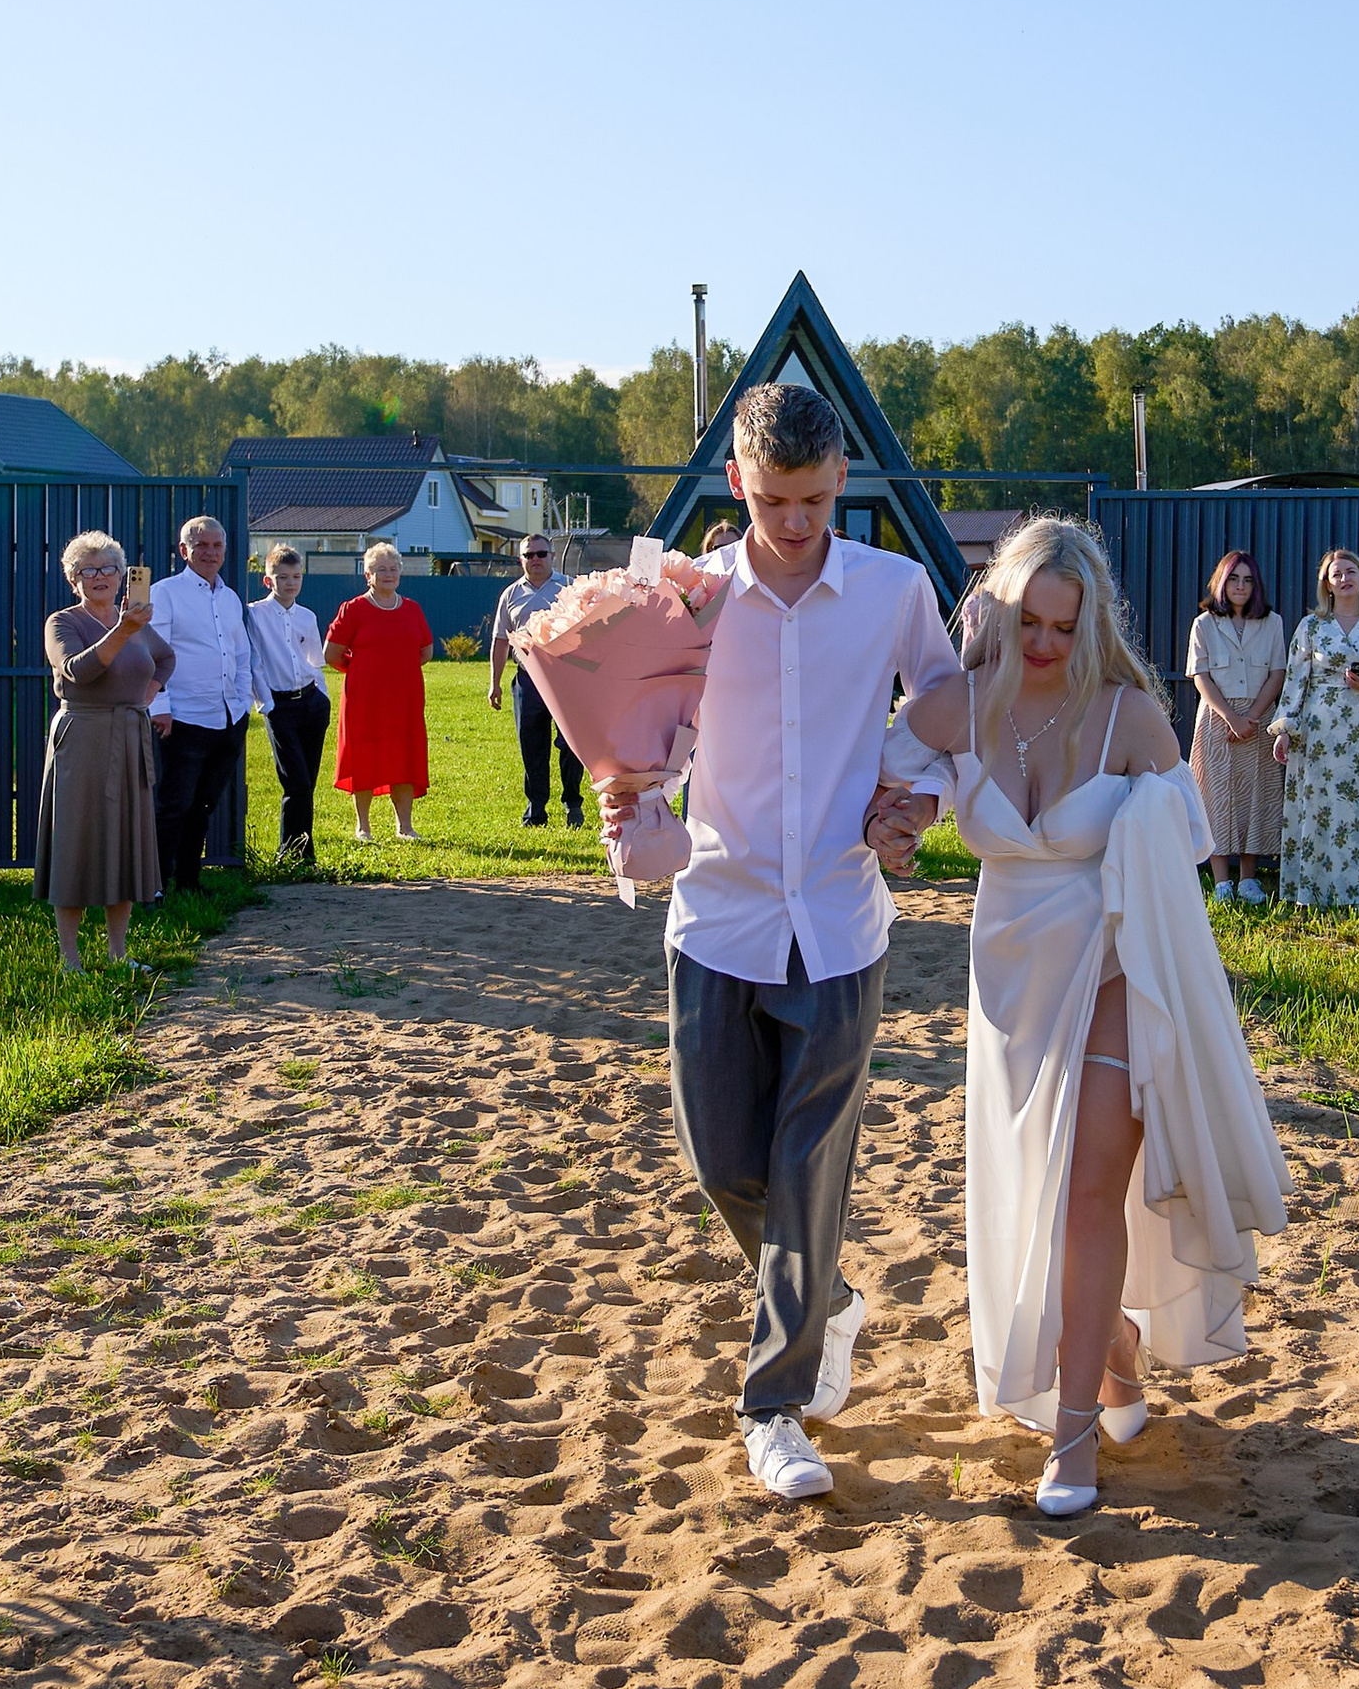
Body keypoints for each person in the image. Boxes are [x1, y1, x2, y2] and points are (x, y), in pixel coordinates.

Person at [606, 381, 962, 1505]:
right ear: (736, 483)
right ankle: (826, 1300)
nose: (795, 520)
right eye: (773, 499)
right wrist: (633, 804)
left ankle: (775, 1405)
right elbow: (642, 740)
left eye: (812, 498)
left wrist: (917, 803)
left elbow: (947, 705)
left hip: (844, 922)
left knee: (812, 1170)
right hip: (717, 914)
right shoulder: (685, 600)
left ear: (842, 480)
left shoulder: (899, 592)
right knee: (726, 1163)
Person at [891, 519, 1287, 1520]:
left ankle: (1070, 1437)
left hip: (1114, 964)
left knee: (1083, 1190)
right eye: (1029, 622)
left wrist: (1141, 825)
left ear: (1092, 624)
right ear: (1003, 608)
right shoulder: (962, 705)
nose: (1046, 646)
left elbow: (1186, 847)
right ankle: (1108, 1343)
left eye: (1065, 629)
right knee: (1034, 1191)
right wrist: (968, 643)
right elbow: (887, 758)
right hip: (1010, 981)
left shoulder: (1130, 717)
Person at [36, 531, 176, 968]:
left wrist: (151, 692)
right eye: (88, 570)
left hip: (129, 737)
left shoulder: (135, 622)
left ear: (121, 576)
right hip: (82, 739)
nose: (99, 577)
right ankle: (70, 958)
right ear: (73, 580)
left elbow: (166, 658)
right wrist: (122, 630)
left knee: (125, 842)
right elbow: (78, 671)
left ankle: (119, 953)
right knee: (76, 841)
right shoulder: (63, 622)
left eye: (108, 568)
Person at [1268, 548, 1359, 909]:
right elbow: (1295, 682)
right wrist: (1286, 728)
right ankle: (1316, 893)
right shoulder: (1311, 627)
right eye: (1336, 574)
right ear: (1327, 585)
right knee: (1321, 808)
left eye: (1351, 572)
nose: (1344, 578)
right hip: (1319, 736)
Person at [149, 512, 260, 893]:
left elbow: (241, 655)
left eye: (217, 546)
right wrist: (159, 705)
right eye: (201, 546)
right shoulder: (165, 593)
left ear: (225, 550)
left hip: (227, 717)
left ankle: (189, 881)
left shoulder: (229, 598)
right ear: (184, 550)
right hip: (182, 717)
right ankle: (157, 886)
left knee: (203, 806)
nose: (210, 553)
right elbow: (153, 653)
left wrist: (243, 703)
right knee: (173, 806)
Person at [1185, 548, 1286, 903]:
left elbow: (1277, 673)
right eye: (1233, 579)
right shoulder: (1204, 624)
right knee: (1215, 798)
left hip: (1259, 721)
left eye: (1247, 580)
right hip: (1217, 720)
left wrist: (1253, 718)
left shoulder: (1272, 622)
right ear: (1221, 583)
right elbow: (1200, 675)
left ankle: (1248, 879)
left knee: (1257, 797)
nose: (1240, 586)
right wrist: (1231, 717)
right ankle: (1222, 882)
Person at [327, 541, 433, 844]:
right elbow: (331, 653)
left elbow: (424, 651)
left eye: (393, 568)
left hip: (405, 698)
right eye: (380, 569)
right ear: (368, 575)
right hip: (364, 699)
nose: (388, 574)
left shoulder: (412, 608)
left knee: (405, 757)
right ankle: (363, 826)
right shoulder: (354, 609)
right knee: (364, 757)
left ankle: (405, 826)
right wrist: (360, 671)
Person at [487, 532, 586, 831]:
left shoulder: (569, 587)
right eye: (529, 555)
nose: (535, 560)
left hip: (565, 676)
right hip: (527, 678)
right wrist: (495, 683)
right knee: (532, 744)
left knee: (571, 743)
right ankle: (536, 809)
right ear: (521, 560)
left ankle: (573, 803)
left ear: (552, 556)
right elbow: (500, 640)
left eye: (541, 554)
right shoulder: (511, 594)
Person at [249, 544, 331, 867]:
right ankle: (288, 853)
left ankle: (303, 854)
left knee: (307, 781)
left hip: (311, 703)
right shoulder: (255, 615)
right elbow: (254, 660)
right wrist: (266, 704)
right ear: (268, 580)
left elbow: (314, 661)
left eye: (296, 577)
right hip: (279, 706)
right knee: (294, 779)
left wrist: (322, 698)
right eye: (282, 577)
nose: (290, 583)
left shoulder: (307, 617)